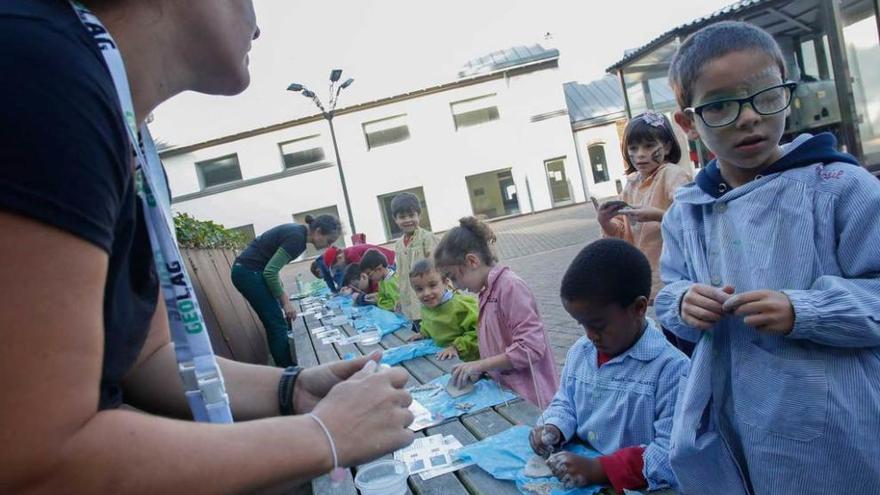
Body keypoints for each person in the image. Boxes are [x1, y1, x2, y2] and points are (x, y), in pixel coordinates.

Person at [0, 1, 413, 491]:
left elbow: (151, 355)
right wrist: (323, 434)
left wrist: (292, 389)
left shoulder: (127, 132)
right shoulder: (38, 73)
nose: (258, 26)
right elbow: (38, 458)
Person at [657, 21, 880, 494]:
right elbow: (668, 292)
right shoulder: (687, 214)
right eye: (720, 105)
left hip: (838, 424)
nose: (748, 118)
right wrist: (682, 304)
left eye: (765, 95)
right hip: (732, 414)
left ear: (787, 91)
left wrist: (805, 309)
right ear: (687, 122)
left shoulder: (840, 188)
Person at [529, 239, 688, 492]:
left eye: (598, 325)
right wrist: (554, 427)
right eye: (581, 324)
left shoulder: (671, 370)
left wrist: (600, 469)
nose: (590, 335)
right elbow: (565, 401)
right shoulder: (581, 353)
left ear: (638, 308)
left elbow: (672, 455)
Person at [434, 217, 558, 407]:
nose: (455, 287)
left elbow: (531, 348)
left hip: (533, 399)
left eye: (453, 277)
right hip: (508, 394)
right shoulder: (487, 291)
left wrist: (480, 364)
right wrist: (479, 370)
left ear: (472, 261)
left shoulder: (510, 287)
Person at [598, 111, 693, 355]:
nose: (640, 154)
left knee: (686, 334)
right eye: (633, 147)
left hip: (678, 274)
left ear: (667, 145)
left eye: (649, 146)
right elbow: (620, 229)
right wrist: (606, 220)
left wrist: (657, 215)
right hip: (651, 272)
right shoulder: (632, 183)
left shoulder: (672, 174)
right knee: (671, 334)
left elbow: (690, 215)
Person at [232, 216, 339, 367]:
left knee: (278, 321)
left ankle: (288, 365)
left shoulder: (298, 234)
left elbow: (271, 268)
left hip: (251, 271)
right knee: (276, 324)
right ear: (319, 231)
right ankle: (288, 372)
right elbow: (270, 272)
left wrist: (282, 297)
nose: (327, 246)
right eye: (328, 241)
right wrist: (286, 302)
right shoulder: (296, 238)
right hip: (248, 273)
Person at [405, 259, 479, 361]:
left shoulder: (460, 305)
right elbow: (429, 323)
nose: (426, 293)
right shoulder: (427, 306)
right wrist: (424, 334)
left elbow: (479, 330)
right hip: (443, 359)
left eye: (432, 285)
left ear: (445, 282)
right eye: (419, 289)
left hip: (469, 360)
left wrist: (456, 347)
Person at [390, 192, 438, 326]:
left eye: (411, 215)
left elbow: (437, 268)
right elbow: (400, 275)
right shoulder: (399, 244)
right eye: (402, 217)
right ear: (395, 219)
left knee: (434, 333)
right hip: (410, 303)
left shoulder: (427, 238)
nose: (407, 220)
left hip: (429, 300)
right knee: (418, 333)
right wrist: (400, 298)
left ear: (419, 215)